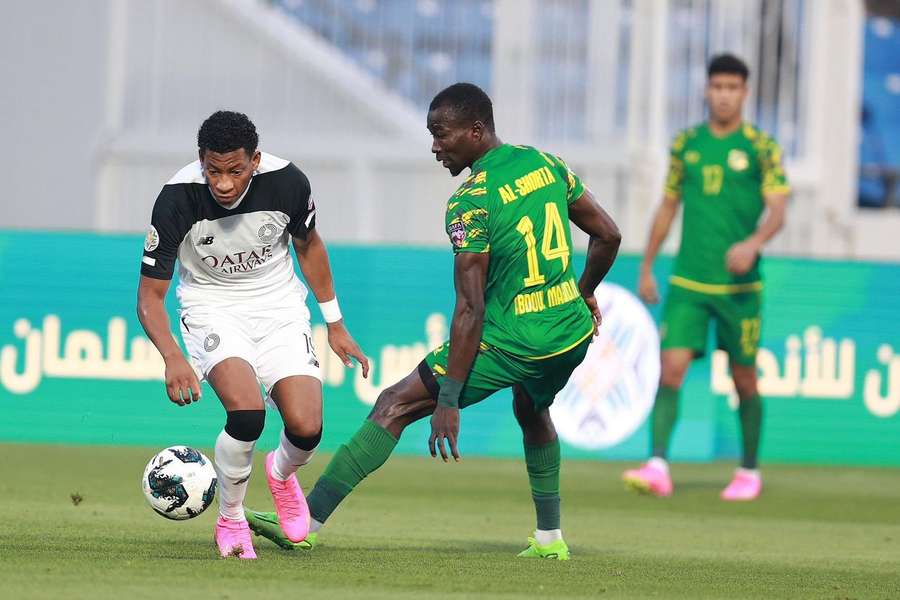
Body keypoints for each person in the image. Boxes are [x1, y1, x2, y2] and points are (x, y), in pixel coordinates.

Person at [246, 83, 621, 560]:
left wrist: (448, 400)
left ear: (476, 130)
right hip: (569, 335)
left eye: (442, 135)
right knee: (532, 410)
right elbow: (608, 234)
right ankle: (550, 540)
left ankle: (304, 525)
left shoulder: (472, 201)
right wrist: (583, 292)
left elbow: (471, 310)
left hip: (514, 340)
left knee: (394, 405)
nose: (435, 146)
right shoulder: (545, 163)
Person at [136, 111, 369, 559]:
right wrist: (171, 356)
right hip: (212, 308)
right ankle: (231, 517)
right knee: (247, 415)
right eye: (213, 170)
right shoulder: (176, 199)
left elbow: (309, 246)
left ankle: (281, 475)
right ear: (201, 161)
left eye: (235, 170)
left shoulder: (288, 183)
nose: (223, 183)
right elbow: (149, 297)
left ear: (255, 161)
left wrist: (334, 322)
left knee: (306, 428)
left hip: (279, 307)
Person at [622, 54, 789, 501]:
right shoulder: (686, 145)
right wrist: (646, 265)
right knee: (671, 369)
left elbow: (778, 210)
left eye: (733, 87)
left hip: (740, 286)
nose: (724, 95)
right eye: (717, 86)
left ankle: (749, 471)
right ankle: (657, 465)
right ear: (706, 90)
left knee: (744, 378)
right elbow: (668, 206)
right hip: (689, 283)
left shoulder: (761, 147)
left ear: (745, 93)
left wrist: (753, 243)